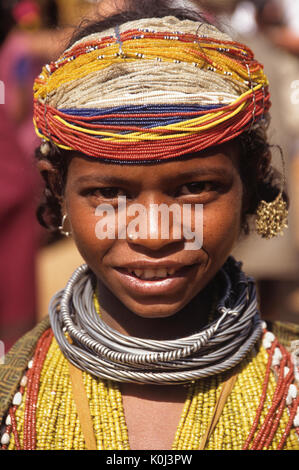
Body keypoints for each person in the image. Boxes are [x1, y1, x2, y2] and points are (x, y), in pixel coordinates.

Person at [1, 0, 299, 451]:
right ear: (57, 190)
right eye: (108, 194)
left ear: (251, 182)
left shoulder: (290, 380)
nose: (154, 235)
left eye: (195, 187)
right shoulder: (13, 387)